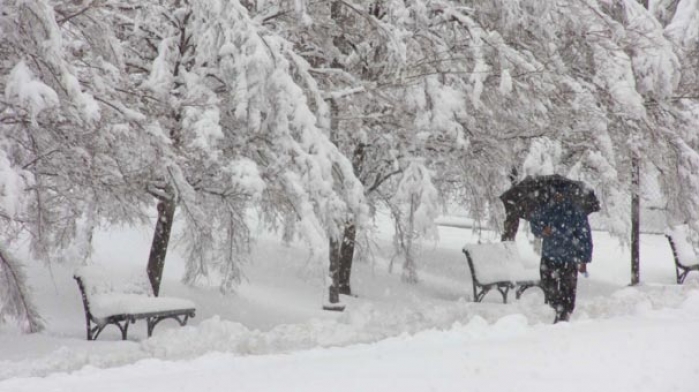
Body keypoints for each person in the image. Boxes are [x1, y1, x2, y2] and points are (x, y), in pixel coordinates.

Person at [529, 191, 593, 323]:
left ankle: (564, 314)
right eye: (556, 192)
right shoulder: (546, 208)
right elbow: (534, 222)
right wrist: (542, 229)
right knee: (550, 286)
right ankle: (557, 311)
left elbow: (584, 236)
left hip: (568, 258)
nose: (558, 195)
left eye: (560, 193)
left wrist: (584, 259)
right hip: (550, 255)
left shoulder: (575, 210)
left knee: (567, 289)